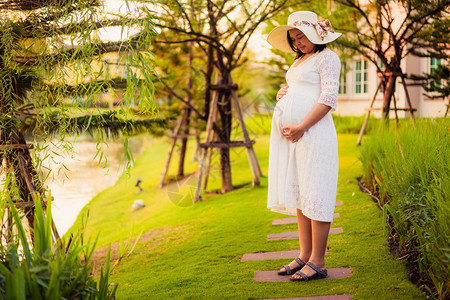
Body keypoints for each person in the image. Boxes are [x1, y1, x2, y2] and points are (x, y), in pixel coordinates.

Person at [266, 11, 341, 282]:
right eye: (293, 38)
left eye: (301, 36)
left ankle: (318, 262)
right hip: (295, 139)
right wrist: (283, 94)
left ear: (316, 34)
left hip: (314, 133)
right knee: (301, 195)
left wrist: (300, 126)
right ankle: (304, 254)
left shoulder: (328, 58)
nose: (297, 42)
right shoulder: (300, 61)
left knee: (316, 192)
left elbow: (328, 98)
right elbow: (298, 88)